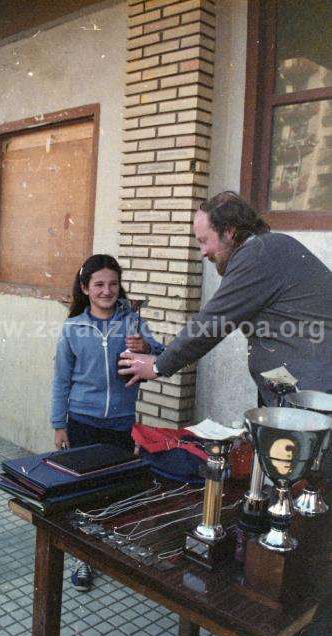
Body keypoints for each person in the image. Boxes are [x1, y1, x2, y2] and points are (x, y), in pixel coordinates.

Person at [118, 191, 332, 406]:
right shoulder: (265, 248)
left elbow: (214, 320)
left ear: (229, 231)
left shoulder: (257, 254)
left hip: (314, 395)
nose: (202, 252)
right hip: (297, 389)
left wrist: (158, 366)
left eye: (204, 241)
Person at [51, 253, 163, 591]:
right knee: (85, 491)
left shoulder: (133, 323)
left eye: (113, 284)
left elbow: (161, 355)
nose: (106, 290)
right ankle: (85, 559)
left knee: (115, 490)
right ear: (85, 288)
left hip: (119, 422)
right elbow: (61, 380)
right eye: (98, 284)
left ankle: (110, 551)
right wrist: (59, 424)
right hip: (82, 421)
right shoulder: (72, 328)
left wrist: (145, 346)